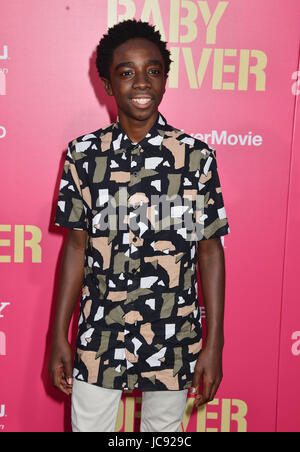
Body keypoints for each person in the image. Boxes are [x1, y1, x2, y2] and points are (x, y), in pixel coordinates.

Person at [49, 19, 230, 433]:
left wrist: (214, 341)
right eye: (126, 72)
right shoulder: (83, 156)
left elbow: (210, 250)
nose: (141, 82)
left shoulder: (195, 158)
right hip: (100, 333)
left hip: (174, 333)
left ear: (165, 79)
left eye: (153, 70)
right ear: (109, 86)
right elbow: (76, 247)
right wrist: (59, 334)